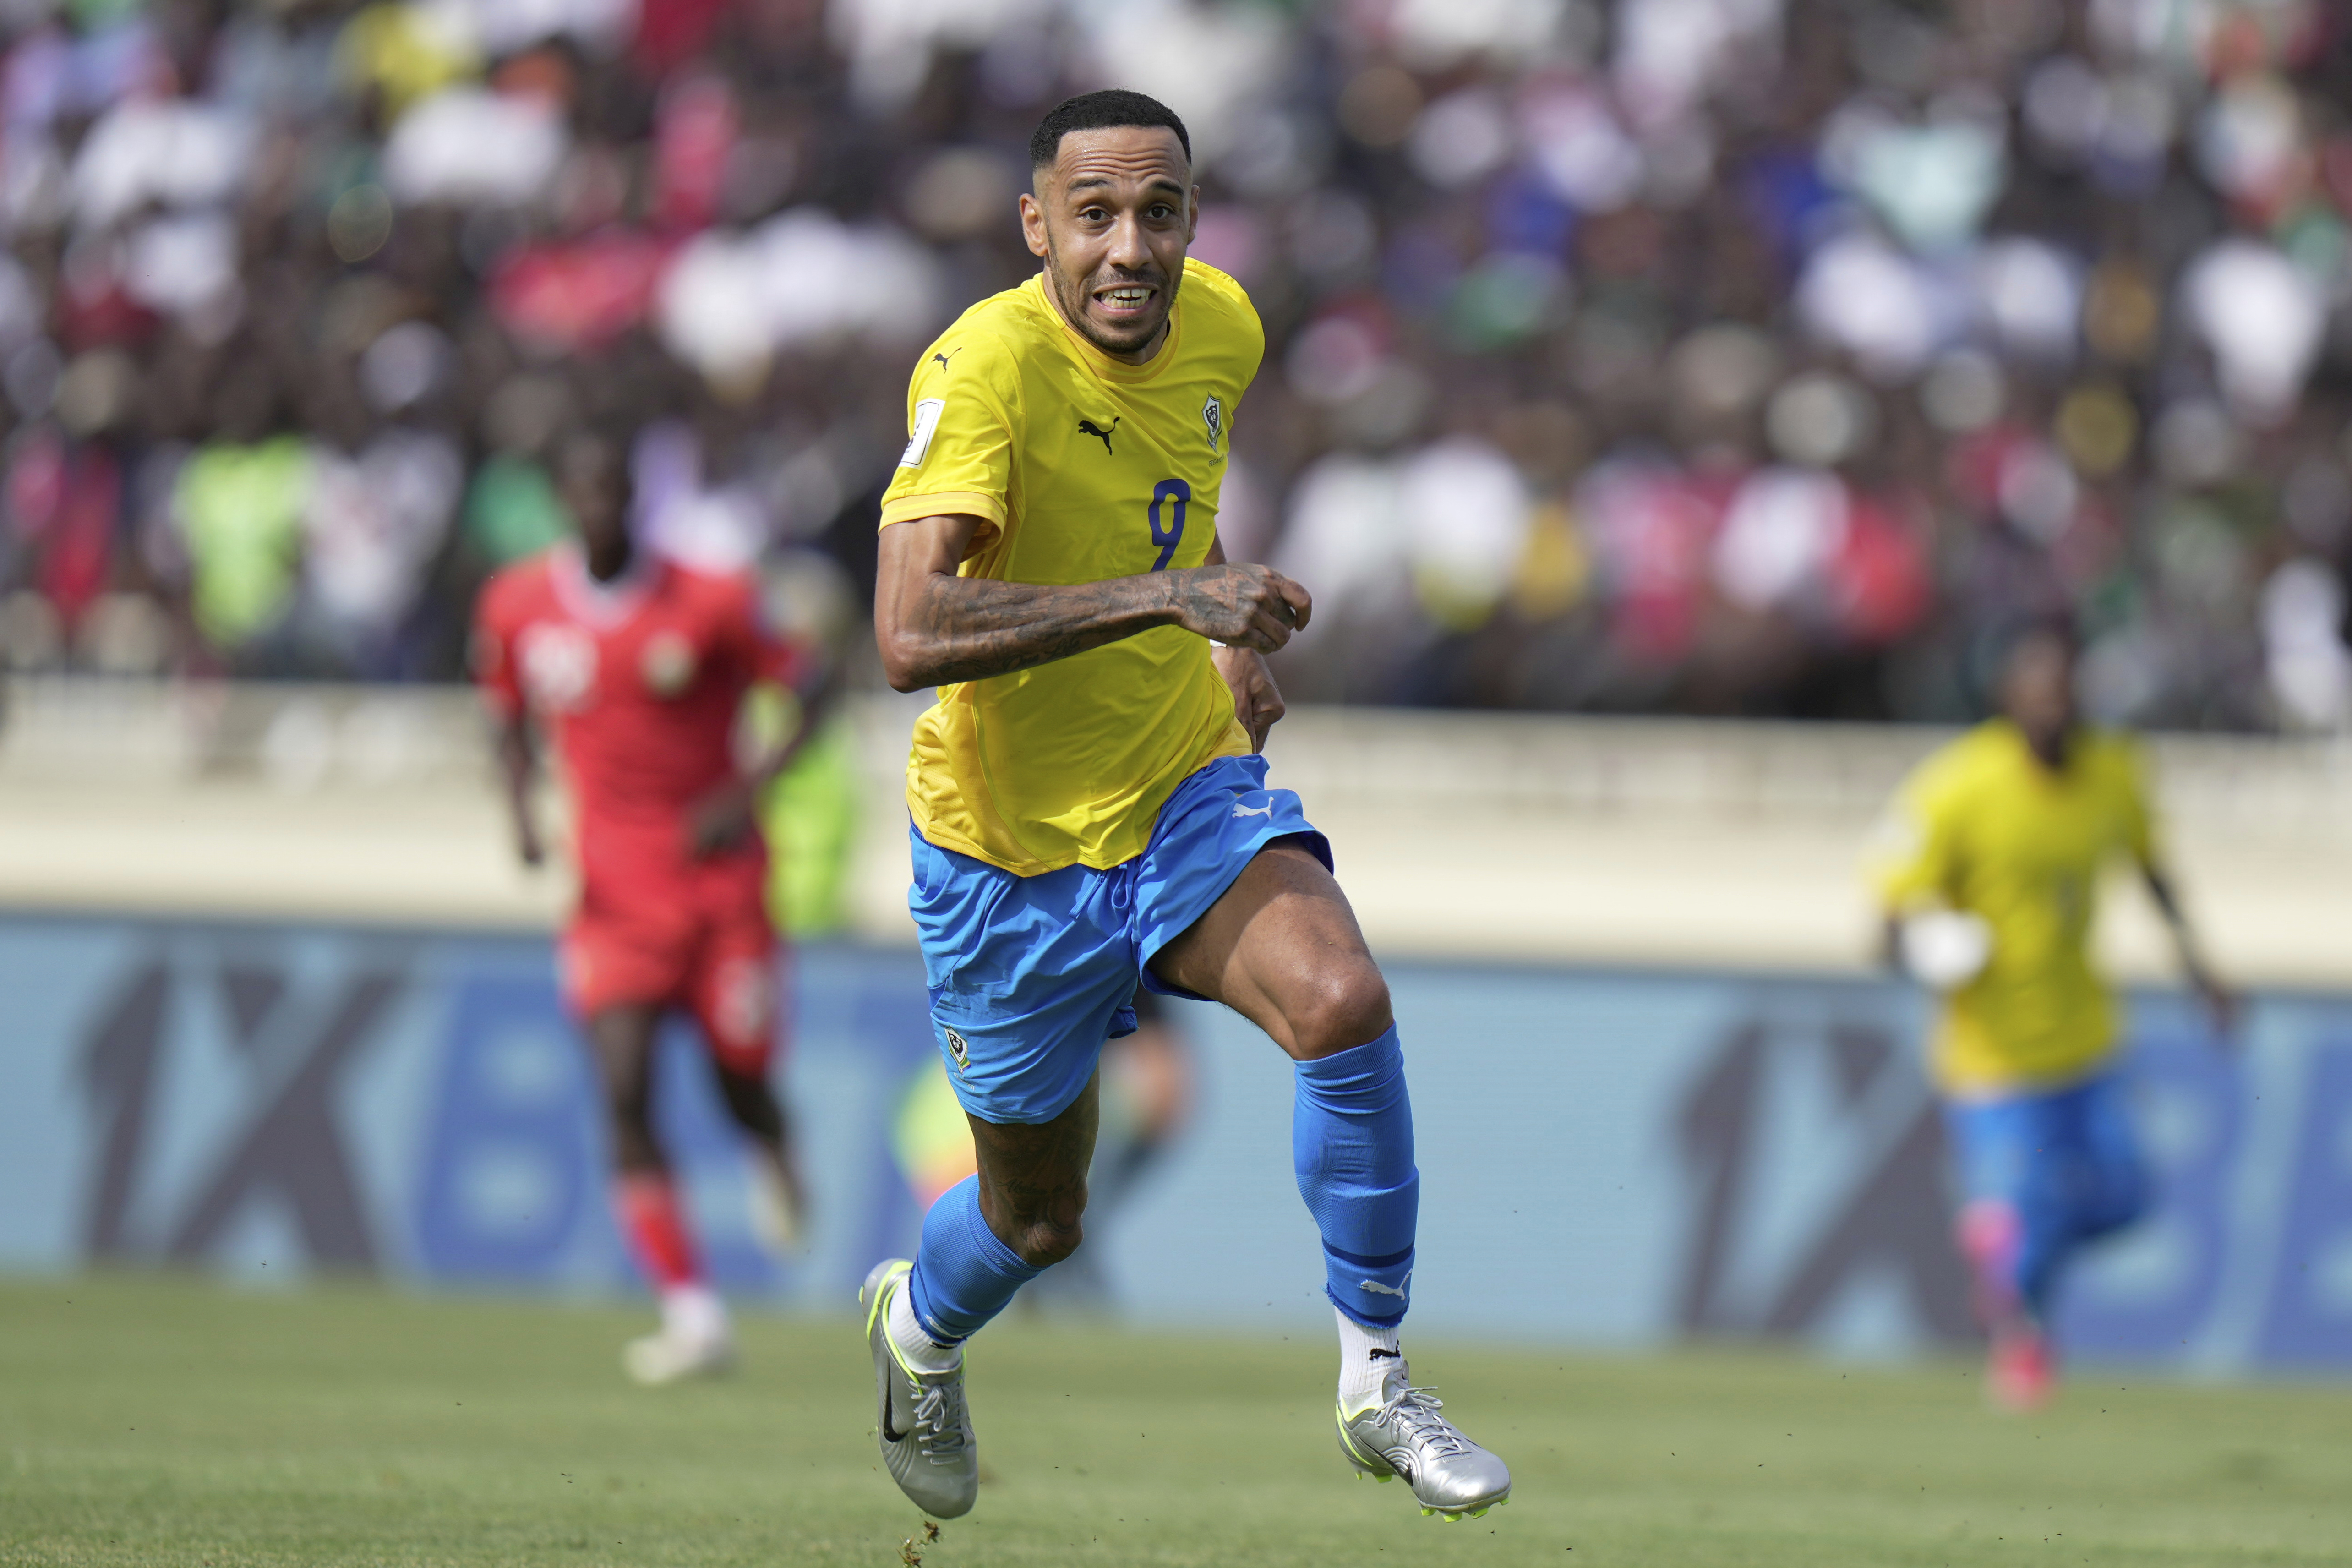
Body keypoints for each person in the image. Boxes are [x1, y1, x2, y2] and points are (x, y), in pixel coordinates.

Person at [857, 89, 1511, 1523]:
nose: (1128, 247)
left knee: (1339, 998)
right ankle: (917, 1330)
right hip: (1003, 856)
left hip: (1175, 793)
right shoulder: (981, 371)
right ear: (1038, 225)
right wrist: (1170, 596)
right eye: (1093, 214)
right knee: (1039, 1219)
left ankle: (1378, 1381)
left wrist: (1212, 632)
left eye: (1159, 213)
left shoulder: (1225, 326)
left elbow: (1167, 488)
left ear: (1194, 222)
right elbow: (909, 633)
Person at [473, 427, 832, 1385]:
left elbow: (816, 680)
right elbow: (504, 717)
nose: (597, 509)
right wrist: (520, 811)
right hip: (612, 893)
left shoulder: (708, 598)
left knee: (735, 1079)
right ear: (559, 501)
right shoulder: (519, 606)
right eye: (581, 492)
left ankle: (775, 1142)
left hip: (720, 886)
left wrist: (745, 789)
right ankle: (693, 1311)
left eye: (612, 491)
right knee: (624, 1086)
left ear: (634, 500)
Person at [1868, 622, 2235, 1410]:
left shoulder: (2113, 773)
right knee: (2026, 1206)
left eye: (2063, 688)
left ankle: (2011, 1251)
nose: (2051, 705)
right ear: (2007, 697)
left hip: (2086, 1038)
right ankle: (2022, 1341)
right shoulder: (1956, 786)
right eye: (2035, 689)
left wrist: (2202, 973)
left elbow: (2151, 870)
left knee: (2130, 1196)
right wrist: (1930, 944)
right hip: (1992, 1054)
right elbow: (1885, 922)